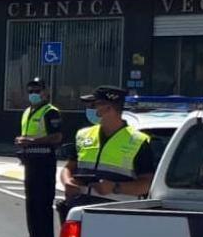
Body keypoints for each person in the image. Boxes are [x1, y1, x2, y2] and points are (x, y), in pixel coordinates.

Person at [55, 85, 156, 226]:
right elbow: (69, 167)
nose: (90, 109)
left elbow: (146, 184)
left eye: (93, 105)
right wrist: (67, 181)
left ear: (108, 108)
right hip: (79, 210)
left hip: (115, 215)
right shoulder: (84, 135)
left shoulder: (137, 141)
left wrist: (115, 187)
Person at [14, 77, 63, 237]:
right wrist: (21, 141)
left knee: (43, 203)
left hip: (44, 163)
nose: (34, 94)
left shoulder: (51, 112)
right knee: (32, 202)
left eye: (38, 90)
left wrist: (30, 141)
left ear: (46, 92)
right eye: (31, 91)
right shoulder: (27, 111)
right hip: (30, 162)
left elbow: (57, 137)